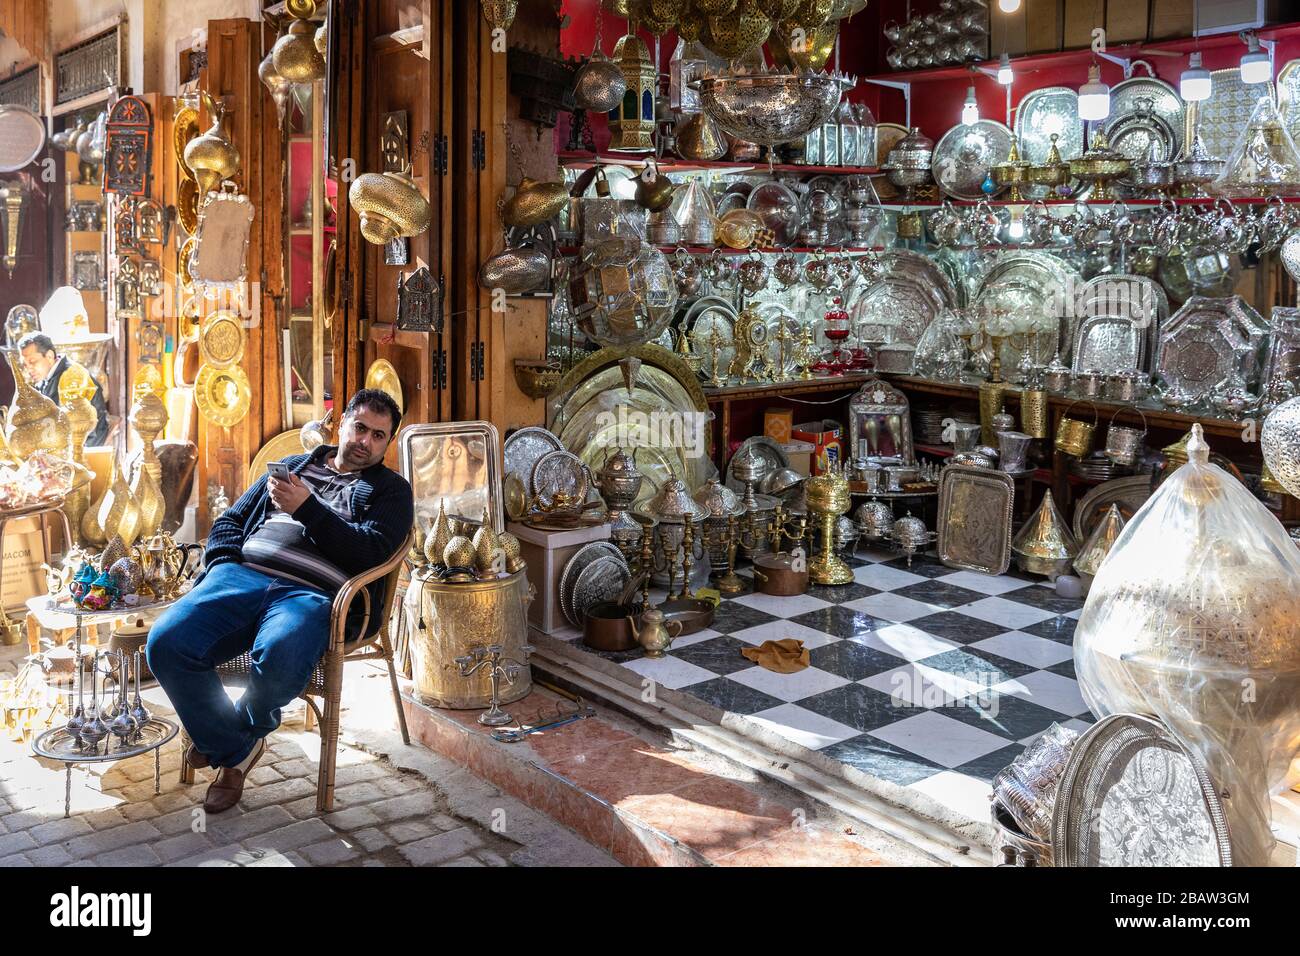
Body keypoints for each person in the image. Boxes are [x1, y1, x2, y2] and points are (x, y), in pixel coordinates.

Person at [146, 389, 413, 813]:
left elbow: (371, 552)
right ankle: (234, 748)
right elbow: (232, 520)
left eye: (378, 436)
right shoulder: (294, 466)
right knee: (165, 643)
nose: (365, 441)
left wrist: (308, 509)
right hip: (241, 576)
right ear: (341, 423)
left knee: (284, 655)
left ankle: (226, 745)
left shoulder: (391, 492)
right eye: (359, 427)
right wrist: (221, 568)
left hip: (311, 594)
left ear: (387, 443)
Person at [17, 332, 109, 445]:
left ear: (49, 356)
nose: (29, 369)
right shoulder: (45, 379)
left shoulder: (73, 378)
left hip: (81, 452)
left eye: (32, 362)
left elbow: (84, 430)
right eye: (25, 365)